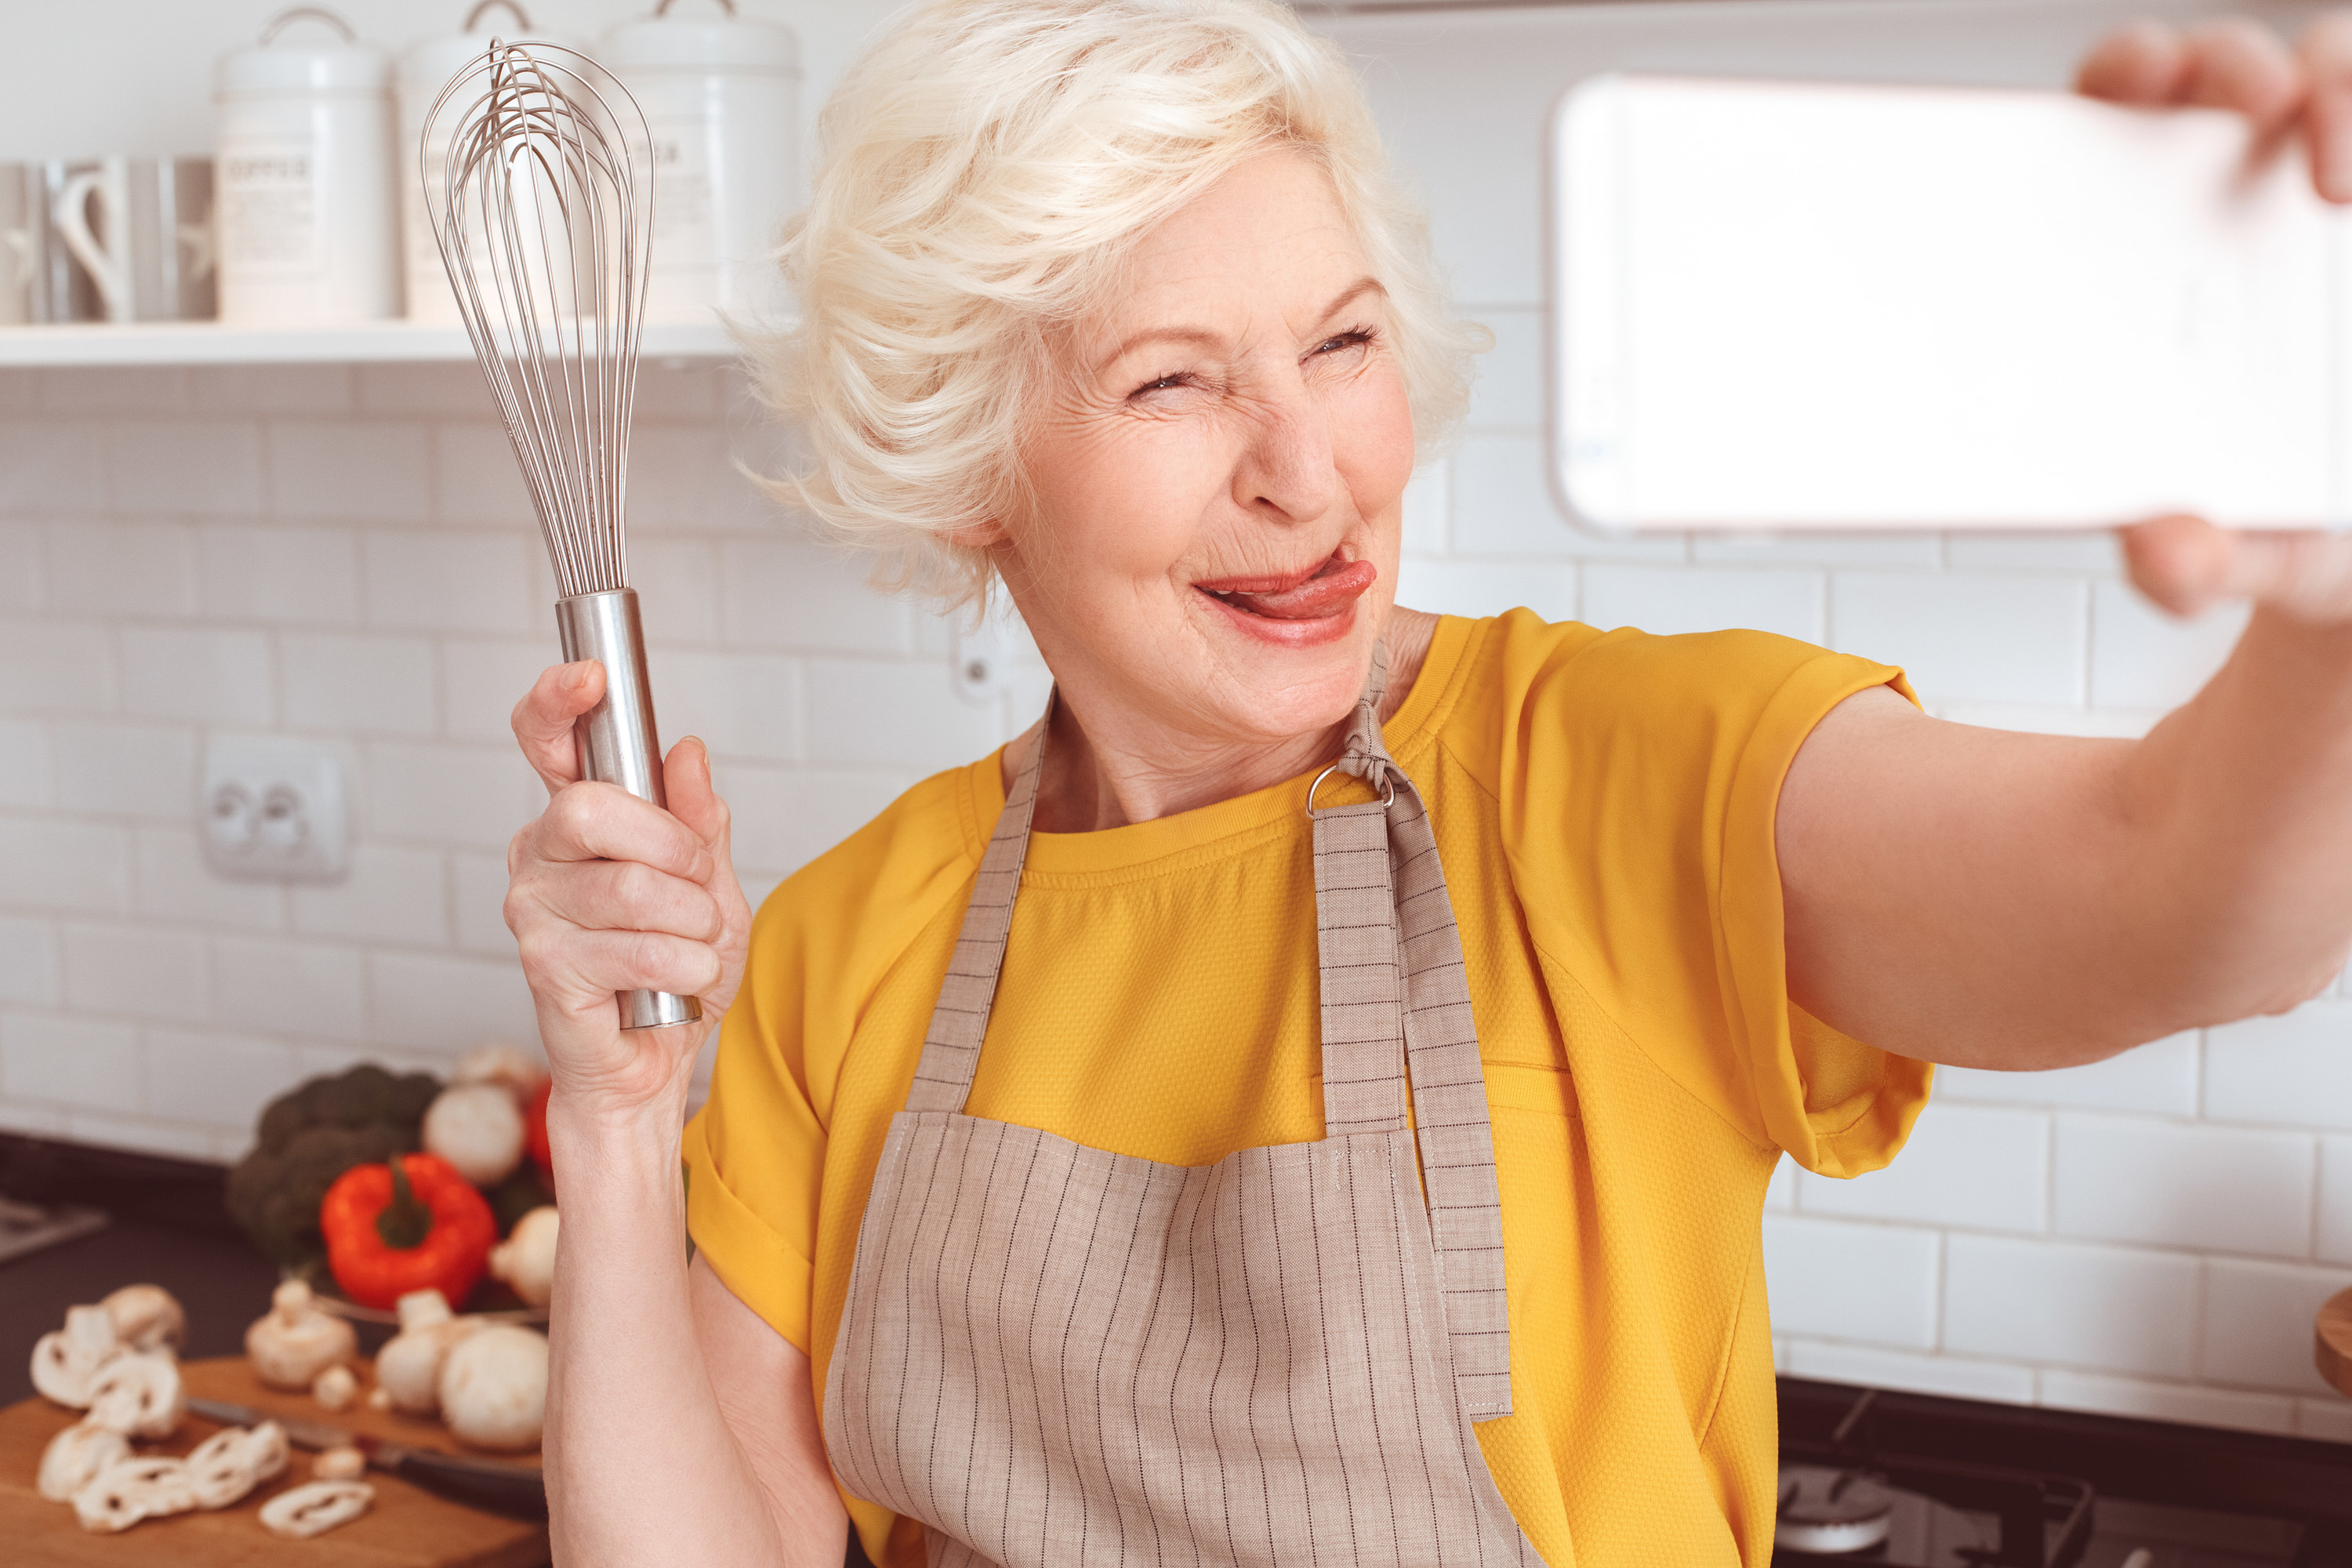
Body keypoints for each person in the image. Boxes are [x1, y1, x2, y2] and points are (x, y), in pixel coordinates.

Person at [498, 4, 2352, 1564]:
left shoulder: (1613, 779)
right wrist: (613, 1112)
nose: (1309, 471)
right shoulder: (853, 938)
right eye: (1172, 384)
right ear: (970, 466)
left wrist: (2335, 587)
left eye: (1344, 340)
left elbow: (2188, 902)